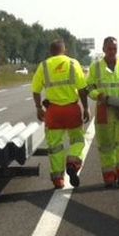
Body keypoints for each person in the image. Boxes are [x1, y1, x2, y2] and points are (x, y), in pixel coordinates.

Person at [32, 39, 89, 189]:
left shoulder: (44, 65)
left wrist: (38, 108)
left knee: (55, 147)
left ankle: (58, 180)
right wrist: (86, 108)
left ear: (50, 52)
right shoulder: (73, 63)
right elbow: (83, 89)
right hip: (71, 110)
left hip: (53, 112)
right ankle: (73, 162)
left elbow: (36, 90)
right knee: (78, 140)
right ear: (64, 50)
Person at [86, 37, 119, 188]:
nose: (112, 52)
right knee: (106, 145)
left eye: (115, 49)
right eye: (109, 49)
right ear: (103, 49)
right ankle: (109, 177)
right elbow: (89, 88)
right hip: (104, 111)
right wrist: (98, 95)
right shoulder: (95, 67)